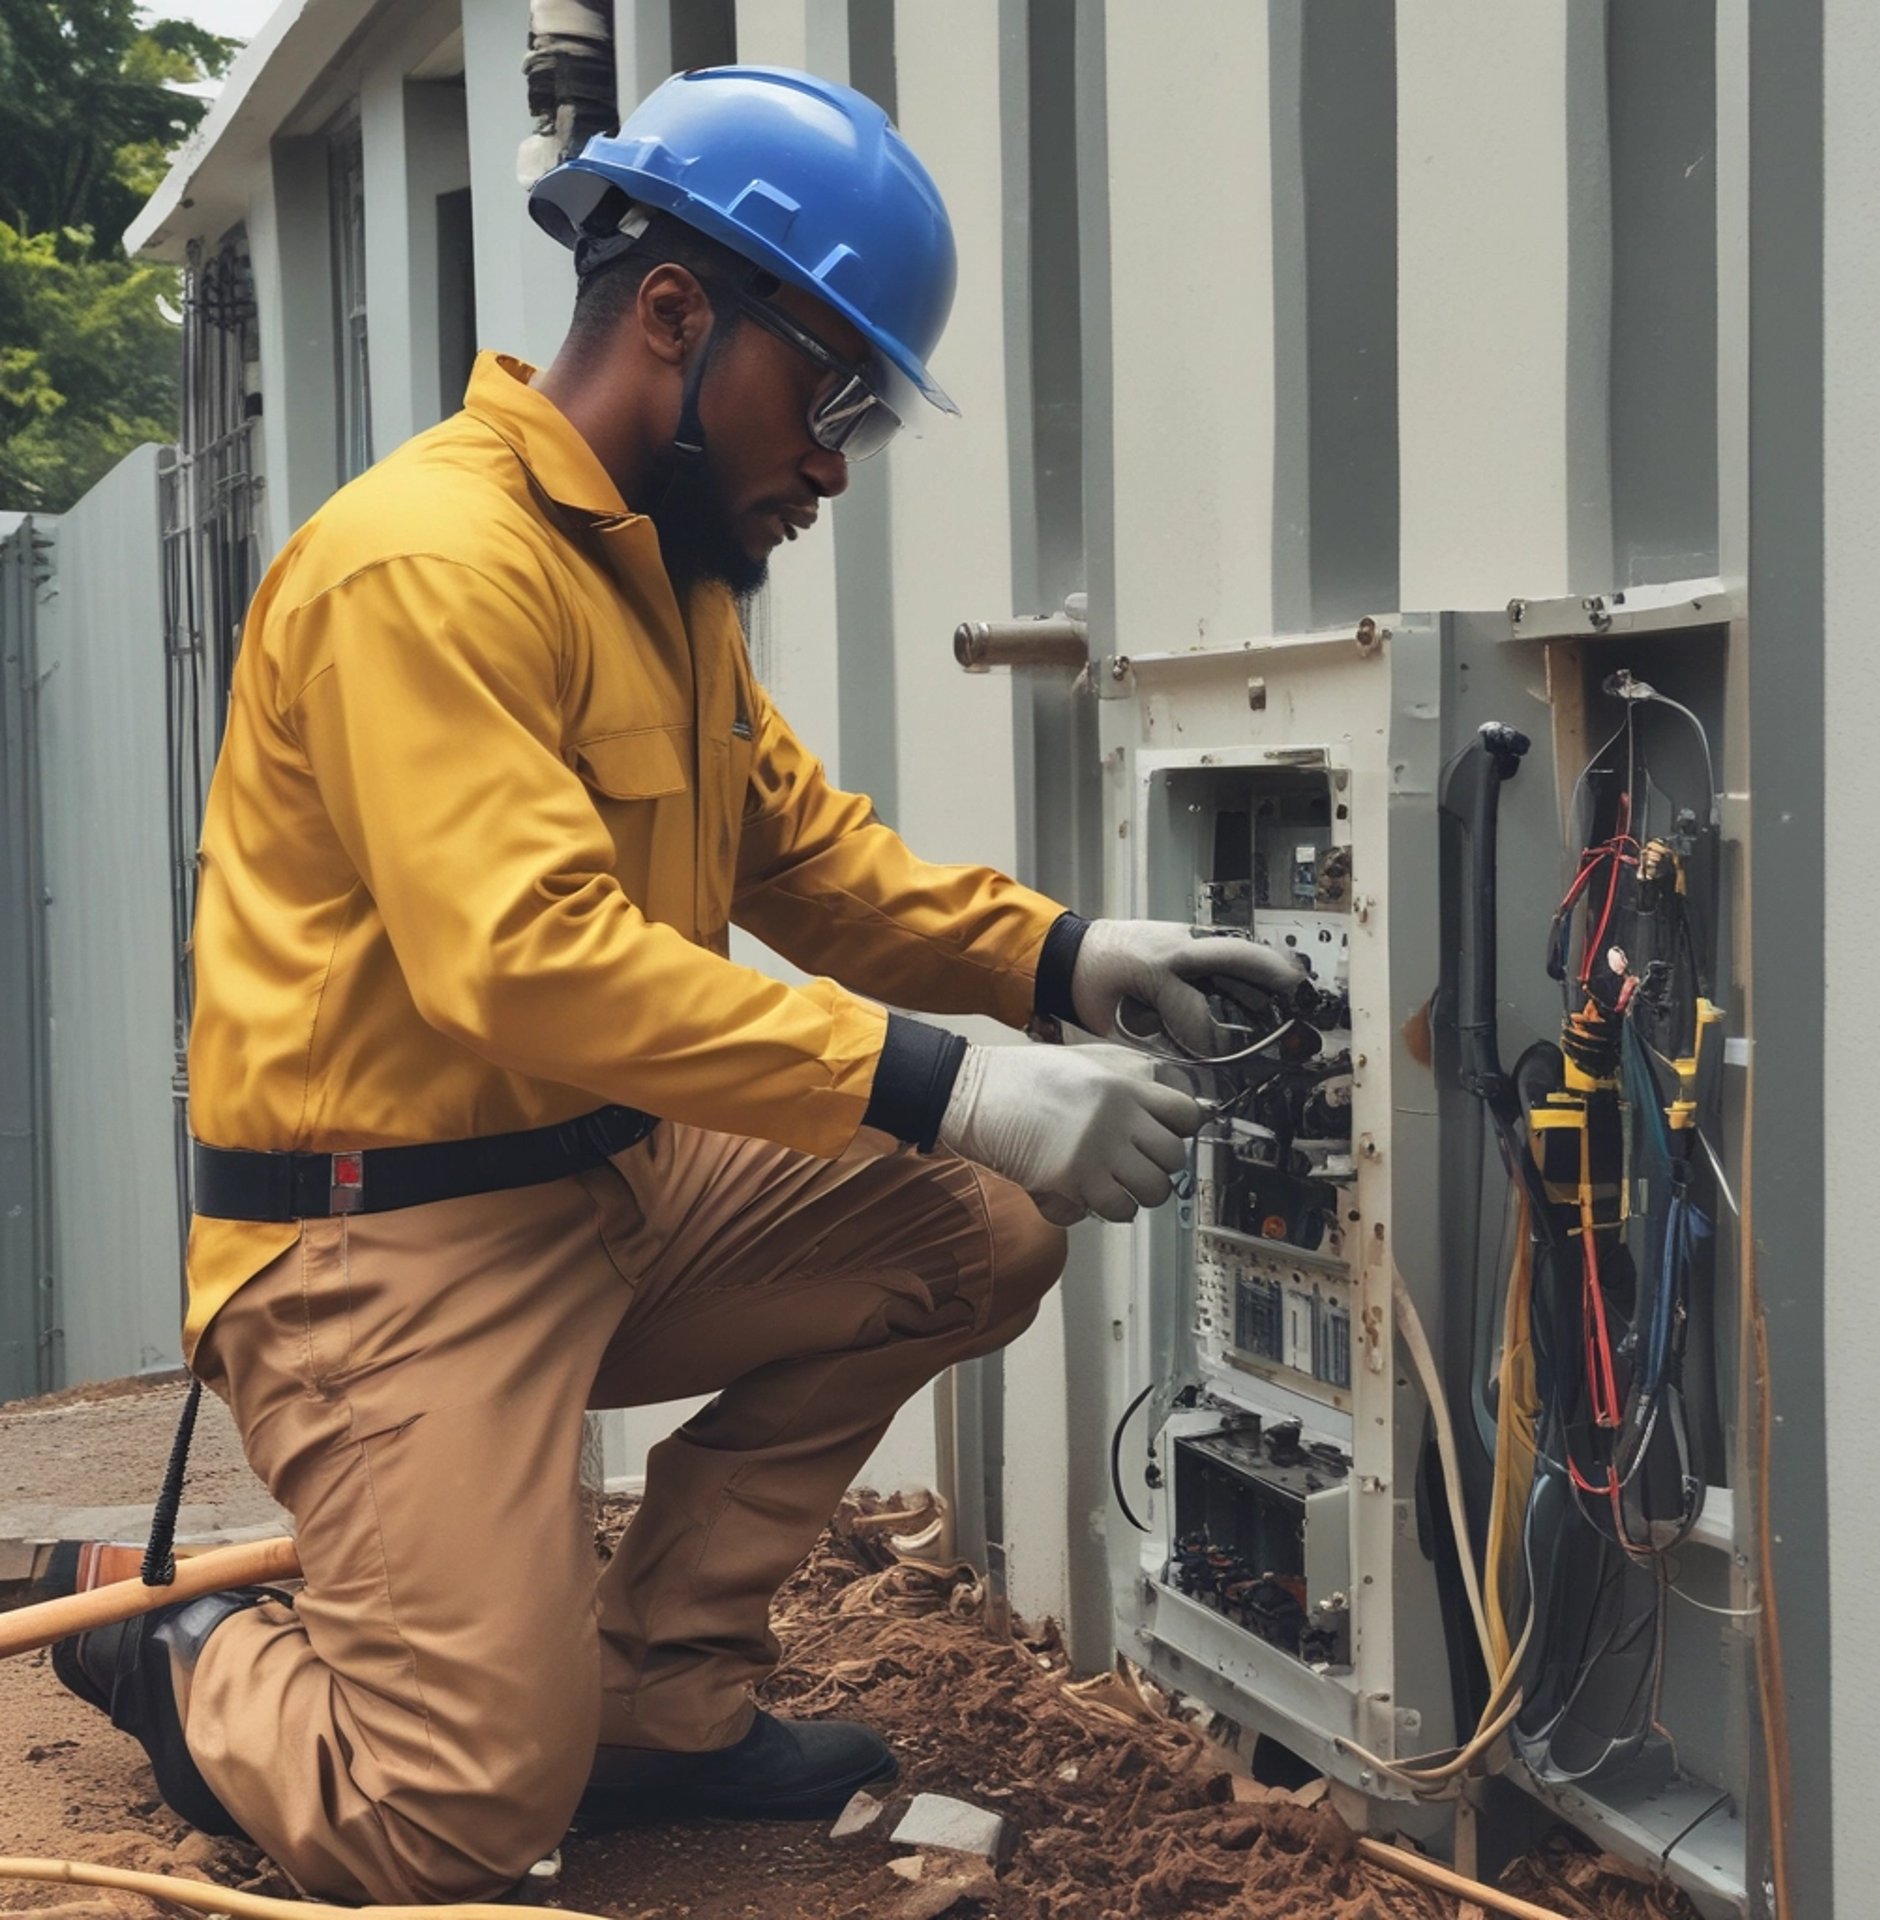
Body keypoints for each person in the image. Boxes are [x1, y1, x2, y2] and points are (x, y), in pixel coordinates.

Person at [54, 66, 1304, 1905]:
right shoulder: (425, 566)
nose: (832, 463)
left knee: (982, 1228)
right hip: (373, 1258)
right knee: (459, 1811)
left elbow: (806, 863)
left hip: (598, 1190)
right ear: (670, 314)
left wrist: (1065, 958)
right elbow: (526, 959)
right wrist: (957, 1079)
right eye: (833, 396)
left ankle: (660, 1699)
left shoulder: (667, 585)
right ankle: (173, 1650)